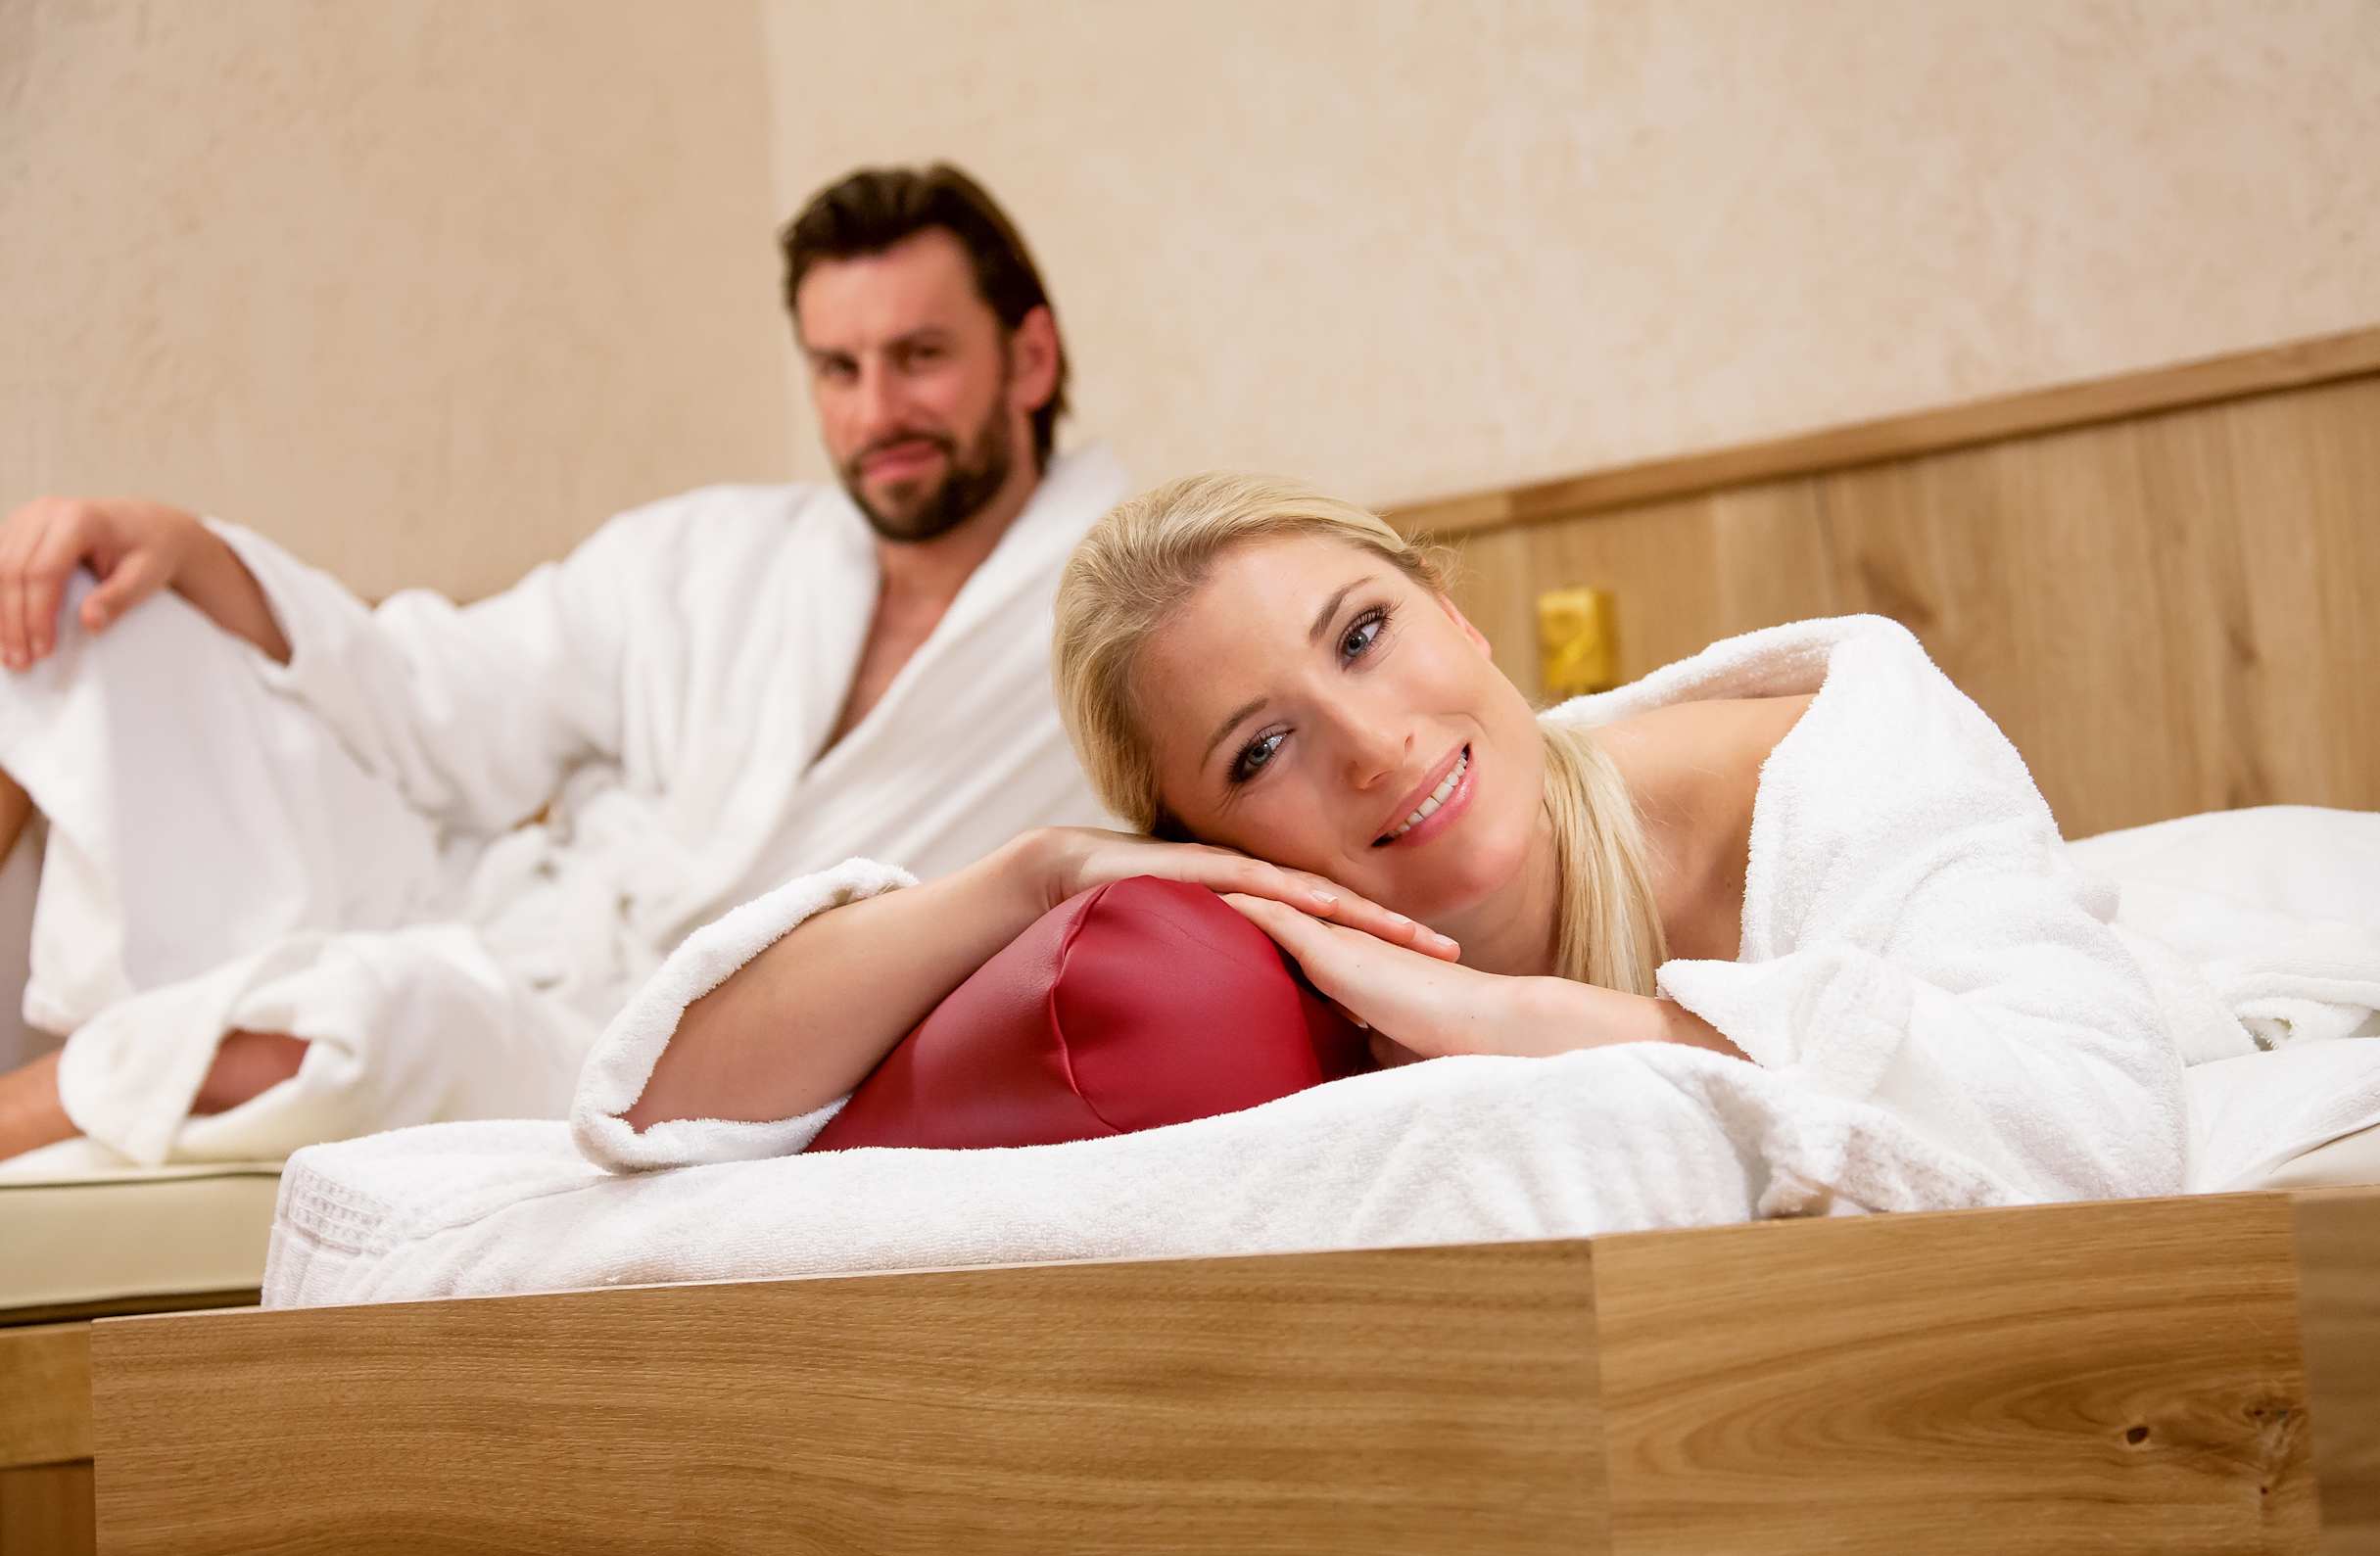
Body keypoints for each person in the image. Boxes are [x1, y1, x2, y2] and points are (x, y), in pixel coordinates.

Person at [603, 472, 2189, 1211]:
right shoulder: (1266, 958)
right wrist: (1041, 872)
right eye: (1261, 749)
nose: (1370, 745)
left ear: (1454, 608)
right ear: (1203, 839)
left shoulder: (1822, 762)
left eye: (1362, 634)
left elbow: (2105, 1131)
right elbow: (656, 1101)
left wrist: (1534, 1021)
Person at [0, 164, 1127, 1164]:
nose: (875, 412)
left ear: (1028, 360)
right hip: (501, 914)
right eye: (838, 369)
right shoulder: (710, 555)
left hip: (641, 1046)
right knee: (85, 609)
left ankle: (33, 1106)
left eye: (920, 358)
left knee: (365, 1018)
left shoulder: (1117, 626)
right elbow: (436, 700)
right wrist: (188, 548)